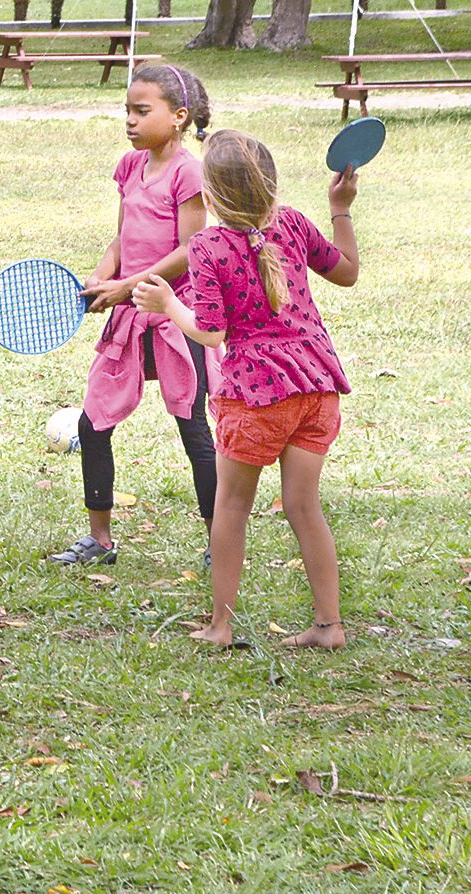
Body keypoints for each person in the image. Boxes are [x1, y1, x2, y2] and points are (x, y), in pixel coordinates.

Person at [133, 129, 360, 650]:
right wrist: (340, 207)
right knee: (305, 506)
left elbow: (210, 331)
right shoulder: (296, 225)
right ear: (271, 186)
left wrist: (168, 303)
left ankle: (221, 625)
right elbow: (346, 273)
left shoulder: (209, 246)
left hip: (256, 396)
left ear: (210, 195)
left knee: (232, 507)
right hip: (317, 385)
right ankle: (330, 626)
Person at [49, 64, 218, 569]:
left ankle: (219, 542)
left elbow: (192, 248)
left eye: (142, 111)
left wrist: (128, 287)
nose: (130, 120)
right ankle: (99, 540)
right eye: (127, 110)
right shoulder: (129, 166)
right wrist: (102, 277)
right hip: (129, 315)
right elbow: (122, 238)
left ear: (179, 116)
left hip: (175, 315)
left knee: (194, 429)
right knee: (93, 422)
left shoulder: (189, 172)